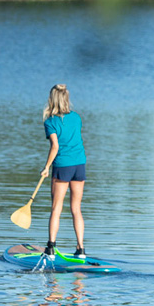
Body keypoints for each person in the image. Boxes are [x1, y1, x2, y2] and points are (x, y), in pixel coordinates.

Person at [41, 84, 87, 258]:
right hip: (79, 164)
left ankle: (51, 247)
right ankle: (80, 249)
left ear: (52, 99)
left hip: (63, 165)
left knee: (56, 208)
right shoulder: (76, 118)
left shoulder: (50, 122)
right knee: (76, 208)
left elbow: (55, 146)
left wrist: (46, 167)